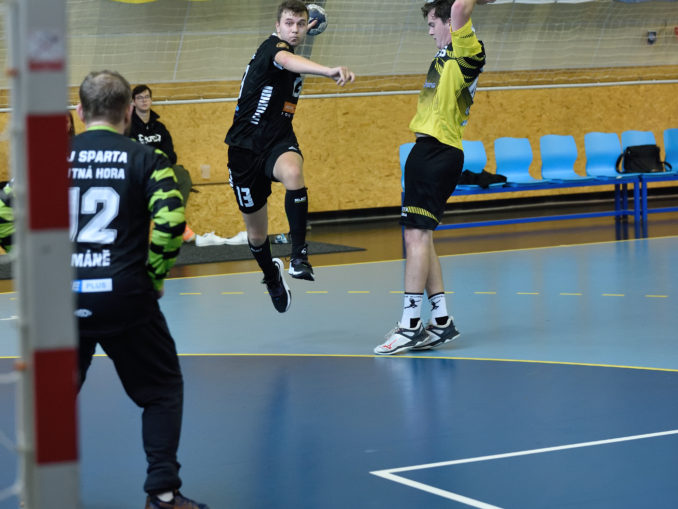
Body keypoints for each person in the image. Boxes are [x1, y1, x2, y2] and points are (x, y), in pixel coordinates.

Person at [0, 71, 209, 508]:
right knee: (161, 390)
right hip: (125, 297)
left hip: (61, 299)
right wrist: (154, 276)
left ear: (80, 111)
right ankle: (163, 494)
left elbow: (4, 211)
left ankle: (38, 492)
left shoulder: (47, 160)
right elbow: (172, 221)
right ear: (129, 111)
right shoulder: (147, 159)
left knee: (53, 397)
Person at [374, 0, 491, 355]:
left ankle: (410, 325)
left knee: (416, 237)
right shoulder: (445, 55)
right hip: (428, 151)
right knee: (422, 238)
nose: (429, 31)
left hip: (437, 153)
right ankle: (440, 320)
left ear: (450, 23)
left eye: (431, 24)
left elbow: (461, 6)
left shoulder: (466, 51)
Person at [225, 0, 355, 313]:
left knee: (294, 173)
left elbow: (296, 44)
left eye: (300, 24)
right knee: (257, 235)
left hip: (278, 140)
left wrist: (311, 23)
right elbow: (287, 59)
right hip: (244, 149)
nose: (295, 29)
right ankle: (272, 276)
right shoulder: (272, 48)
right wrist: (328, 70)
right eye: (289, 23)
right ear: (277, 26)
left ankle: (299, 256)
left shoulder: (294, 40)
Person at [129, 84, 212, 245]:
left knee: (182, 176)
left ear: (151, 100)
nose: (144, 100)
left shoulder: (160, 127)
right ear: (133, 102)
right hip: (140, 170)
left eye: (147, 97)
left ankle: (174, 221)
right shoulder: (128, 127)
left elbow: (171, 154)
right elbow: (131, 153)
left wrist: (159, 162)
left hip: (161, 167)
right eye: (139, 98)